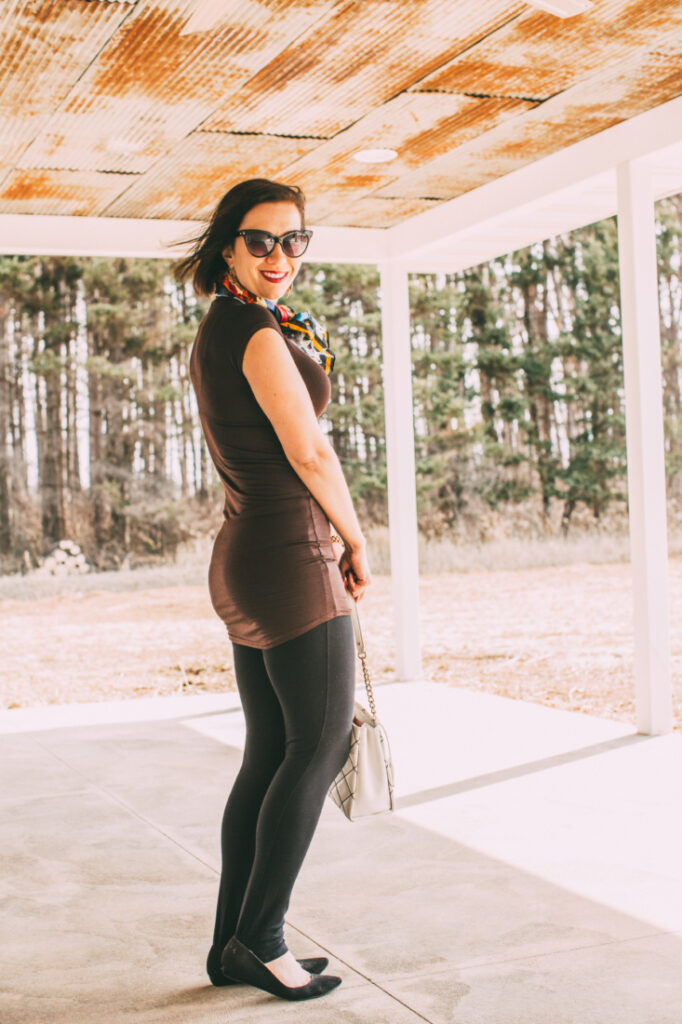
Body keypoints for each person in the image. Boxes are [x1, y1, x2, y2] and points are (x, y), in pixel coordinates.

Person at [176, 178, 371, 1001]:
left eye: (296, 240)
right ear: (229, 247)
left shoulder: (221, 327)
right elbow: (312, 453)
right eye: (261, 241)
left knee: (268, 755)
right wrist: (357, 540)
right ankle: (261, 938)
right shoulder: (255, 330)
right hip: (291, 557)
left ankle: (230, 946)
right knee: (320, 745)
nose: (281, 256)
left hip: (247, 557)